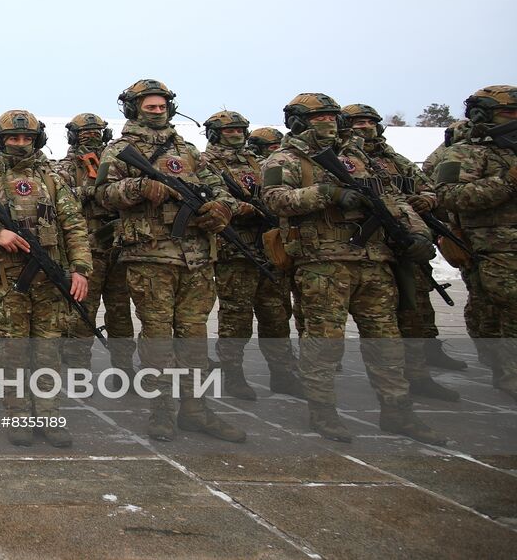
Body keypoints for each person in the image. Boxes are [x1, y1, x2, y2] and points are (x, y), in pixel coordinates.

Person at [261, 93, 445, 444]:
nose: (328, 122)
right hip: (323, 265)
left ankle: (397, 412)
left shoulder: (357, 157)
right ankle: (323, 413)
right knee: (324, 346)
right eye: (318, 118)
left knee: (387, 344)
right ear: (299, 121)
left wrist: (419, 234)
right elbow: (273, 199)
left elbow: (395, 200)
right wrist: (327, 194)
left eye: (331, 116)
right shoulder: (284, 159)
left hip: (374, 263)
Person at [96, 79, 245, 443]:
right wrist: (138, 188)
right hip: (150, 256)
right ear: (134, 109)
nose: (157, 111)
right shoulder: (119, 150)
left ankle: (196, 410)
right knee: (158, 338)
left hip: (196, 258)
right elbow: (102, 195)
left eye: (162, 106)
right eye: (150, 107)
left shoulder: (190, 151)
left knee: (194, 338)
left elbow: (222, 188)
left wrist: (222, 207)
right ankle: (161, 410)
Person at [0, 110, 91, 447]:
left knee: (48, 350)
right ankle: (17, 413)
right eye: (13, 138)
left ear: (37, 140)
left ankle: (48, 414)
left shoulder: (52, 179)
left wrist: (80, 269)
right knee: (12, 351)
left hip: (50, 278)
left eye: (26, 138)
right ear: (1, 140)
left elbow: (74, 226)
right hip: (4, 281)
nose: (19, 143)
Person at [341, 103, 459, 402]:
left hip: (401, 245)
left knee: (413, 311)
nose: (364, 126)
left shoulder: (392, 160)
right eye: (357, 122)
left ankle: (417, 374)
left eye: (369, 121)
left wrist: (426, 203)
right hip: (361, 249)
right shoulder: (342, 158)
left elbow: (427, 188)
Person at [200, 110, 303, 399]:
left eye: (239, 129)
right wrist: (243, 208)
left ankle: (282, 373)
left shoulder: (259, 162)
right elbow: (212, 199)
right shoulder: (205, 163)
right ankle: (233, 374)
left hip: (270, 247)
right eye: (228, 130)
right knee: (237, 318)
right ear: (214, 133)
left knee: (277, 316)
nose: (235, 134)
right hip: (236, 250)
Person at [434, 85, 517, 402]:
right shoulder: (464, 153)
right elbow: (451, 196)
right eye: (508, 111)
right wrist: (509, 180)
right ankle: (508, 375)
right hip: (492, 247)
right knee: (505, 312)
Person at [53, 113, 134, 374]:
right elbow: (58, 202)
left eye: (96, 132)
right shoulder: (66, 168)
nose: (92, 137)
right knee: (82, 313)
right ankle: (78, 369)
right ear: (74, 136)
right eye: (86, 133)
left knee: (121, 313)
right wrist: (91, 192)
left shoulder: (116, 161)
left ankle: (123, 368)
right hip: (88, 251)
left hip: (119, 247)